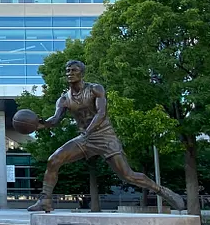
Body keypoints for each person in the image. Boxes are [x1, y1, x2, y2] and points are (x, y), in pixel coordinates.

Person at [27, 60, 185, 213]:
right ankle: (45, 200)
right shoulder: (64, 99)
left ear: (82, 73)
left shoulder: (95, 89)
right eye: (68, 71)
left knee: (128, 175)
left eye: (74, 70)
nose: (70, 73)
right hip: (85, 137)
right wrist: (40, 124)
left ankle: (162, 191)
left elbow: (101, 113)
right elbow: (54, 120)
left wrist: (88, 132)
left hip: (104, 136)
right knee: (54, 160)